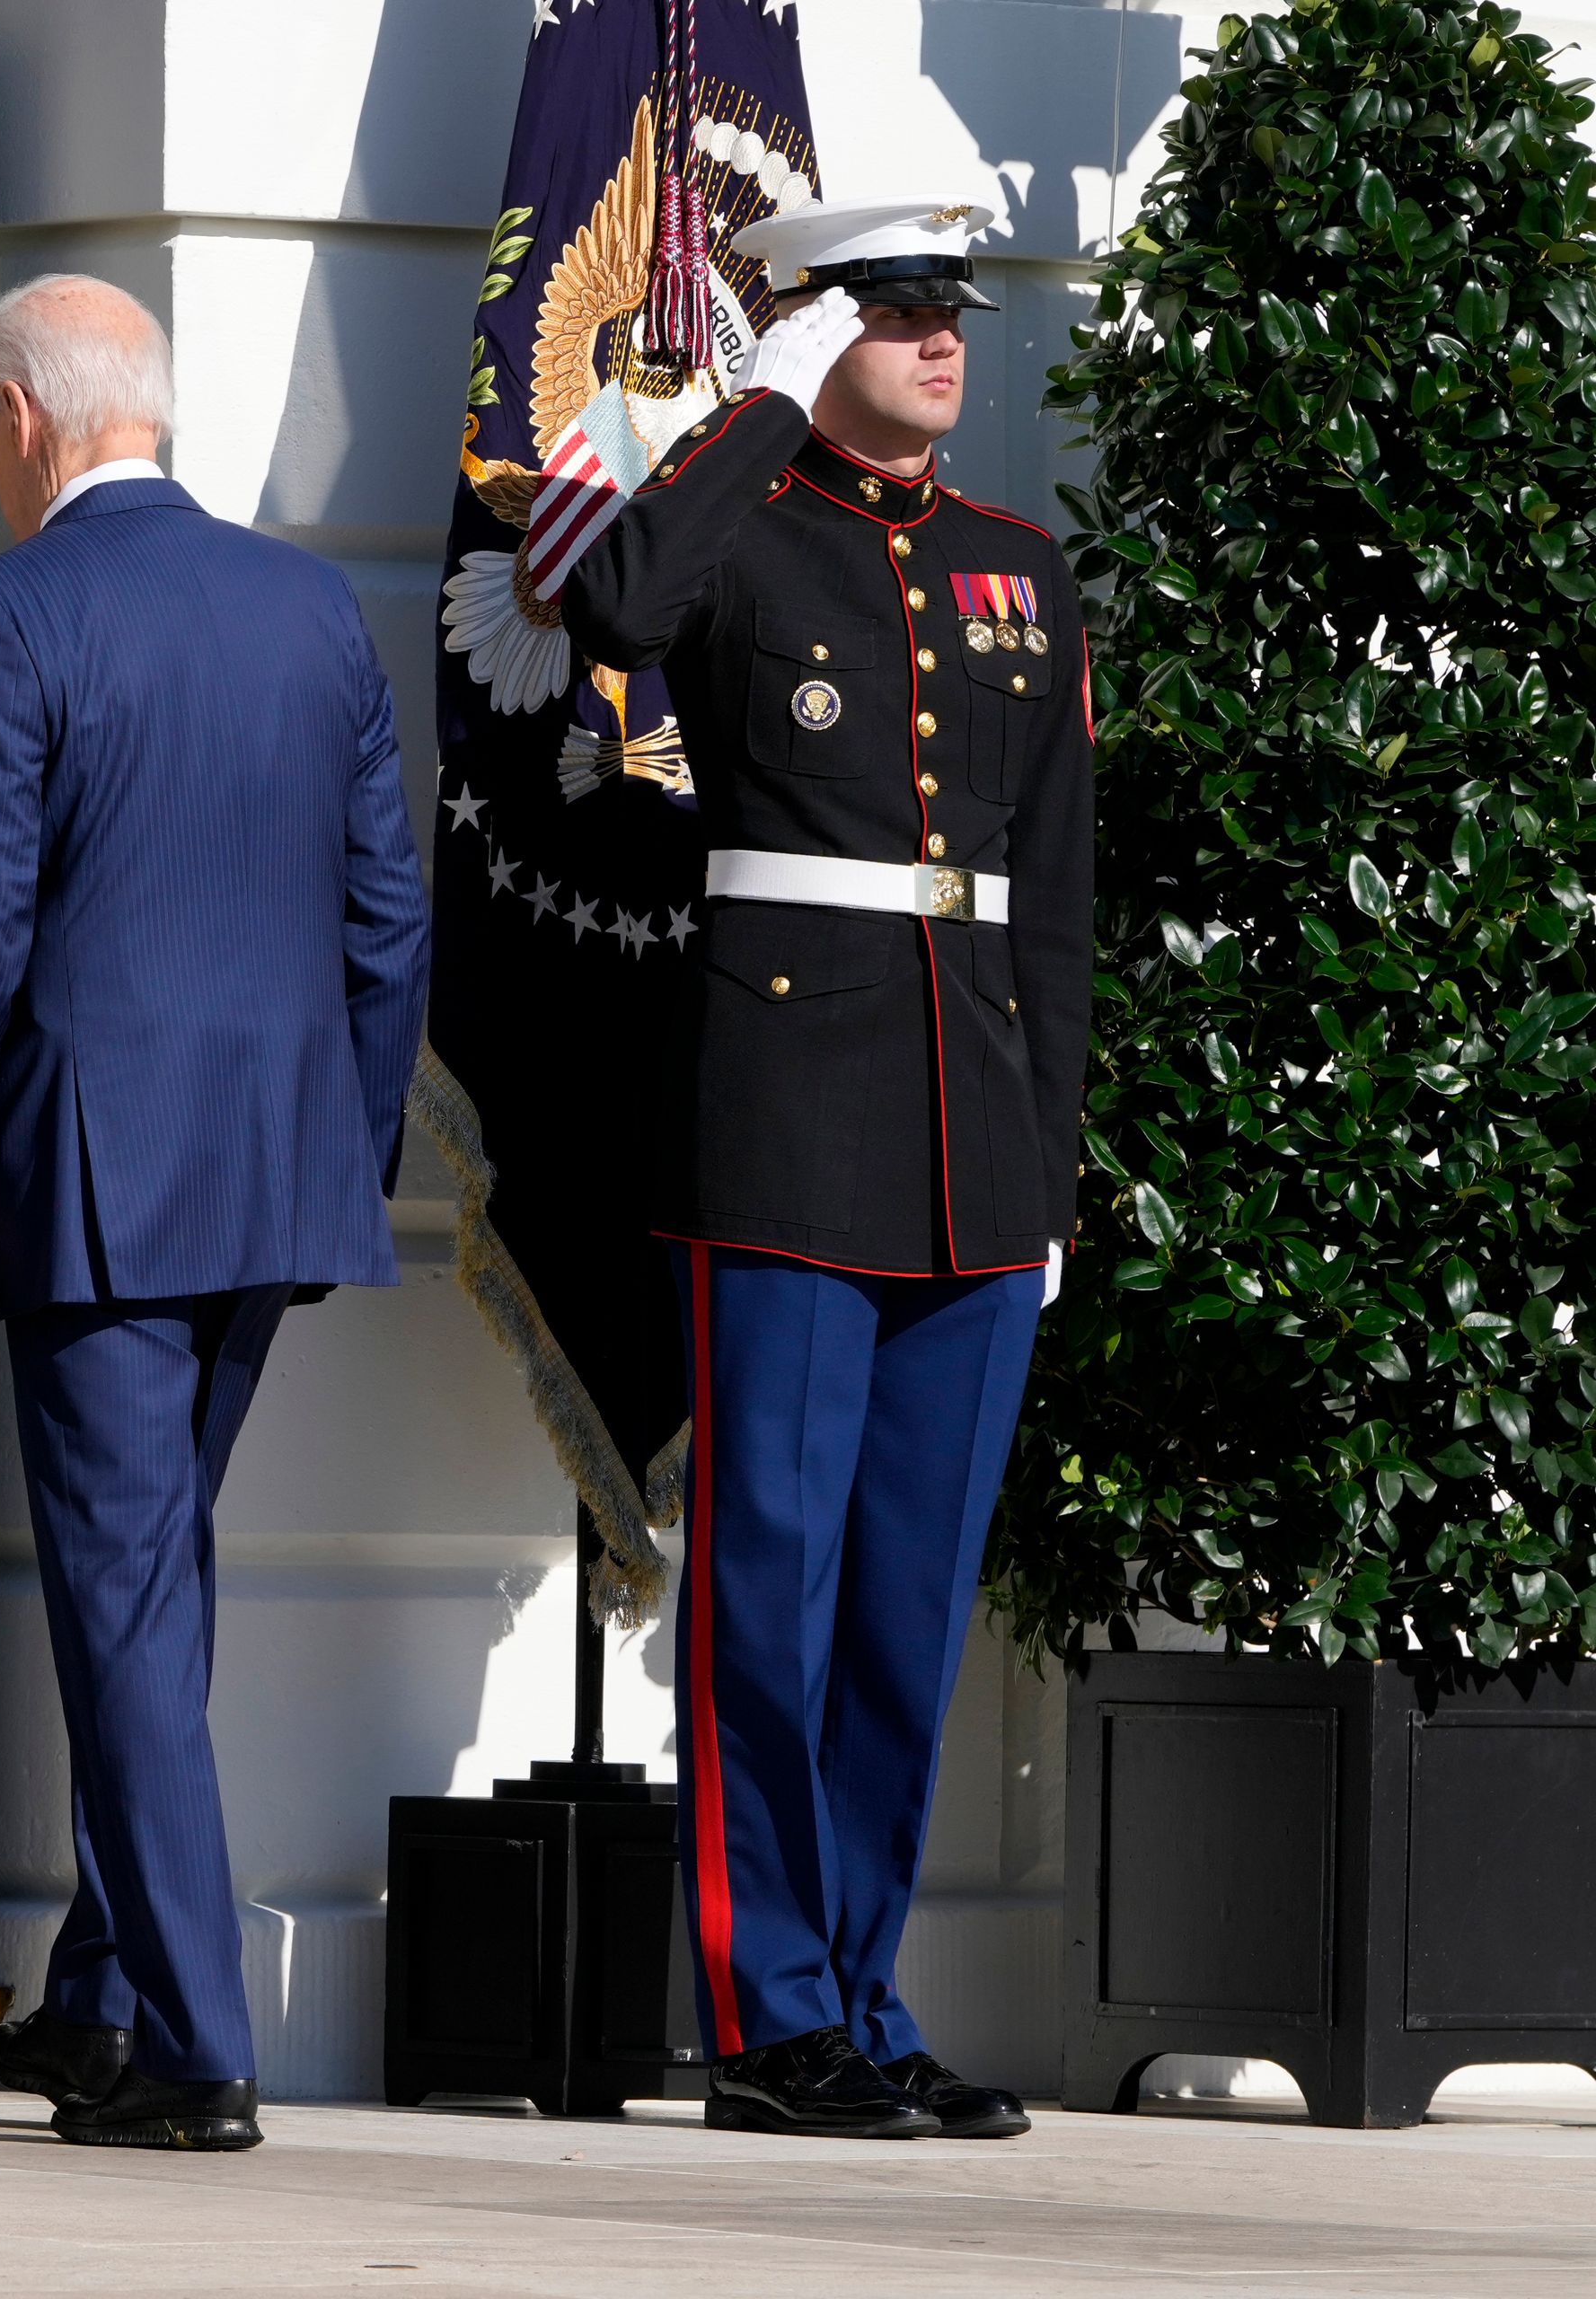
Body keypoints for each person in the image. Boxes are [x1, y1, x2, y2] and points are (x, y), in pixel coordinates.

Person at [0, 277, 432, 2151]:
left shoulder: (8, 611)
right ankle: (104, 1995)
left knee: (122, 1602)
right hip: (274, 1177)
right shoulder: (306, 606)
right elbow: (385, 916)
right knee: (155, 1578)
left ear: (23, 417)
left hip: (100, 1179)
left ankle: (199, 2042)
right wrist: (340, 1156)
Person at [560, 198, 1091, 2142]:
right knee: (766, 1596)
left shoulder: (1020, 569)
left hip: (975, 1148)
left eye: (957, 310)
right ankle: (769, 2007)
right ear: (810, 330)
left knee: (903, 1606)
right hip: (783, 1126)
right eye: (897, 310)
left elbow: (1055, 909)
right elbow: (607, 614)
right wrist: (753, 411)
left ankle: (864, 1990)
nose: (945, 340)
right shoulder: (739, 525)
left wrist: (1046, 1176)